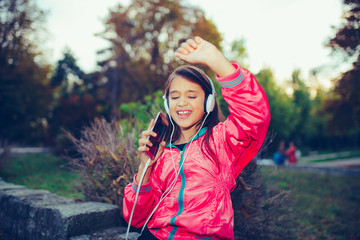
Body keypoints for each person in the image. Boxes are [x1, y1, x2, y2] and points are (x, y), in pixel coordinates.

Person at [123, 36, 271, 240]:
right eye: (175, 97)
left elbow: (254, 116)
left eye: (191, 96)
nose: (182, 103)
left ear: (209, 102)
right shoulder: (163, 153)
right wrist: (145, 167)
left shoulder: (222, 141)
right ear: (167, 104)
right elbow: (135, 218)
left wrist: (218, 62)